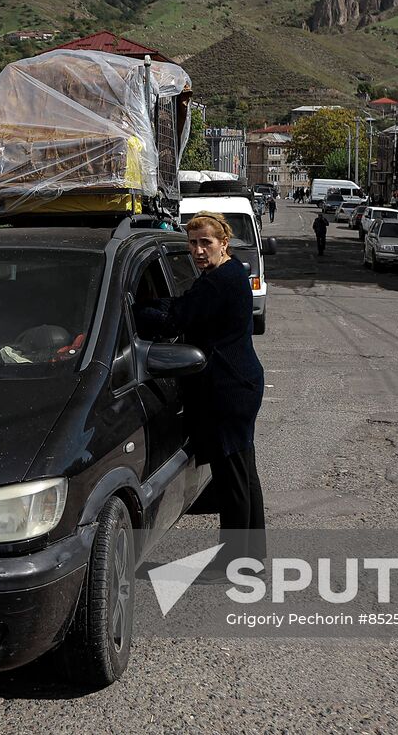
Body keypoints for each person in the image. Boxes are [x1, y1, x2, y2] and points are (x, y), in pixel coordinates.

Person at [137, 213, 266, 564]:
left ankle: (235, 562)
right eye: (193, 243)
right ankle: (251, 559)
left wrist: (137, 308)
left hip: (228, 389)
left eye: (205, 242)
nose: (197, 250)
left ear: (223, 242)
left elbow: (175, 318)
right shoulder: (229, 272)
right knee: (243, 475)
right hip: (240, 382)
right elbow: (185, 307)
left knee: (233, 480)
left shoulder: (218, 281)